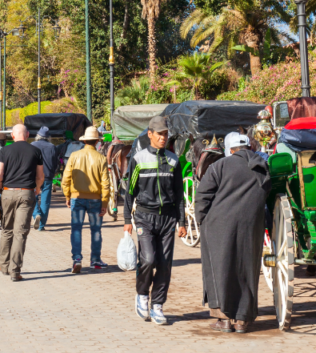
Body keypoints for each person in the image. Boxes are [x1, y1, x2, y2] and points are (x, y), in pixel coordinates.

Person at [195, 132, 271, 333]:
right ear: (248, 147)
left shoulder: (219, 166)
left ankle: (224, 319)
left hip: (218, 225)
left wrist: (202, 221)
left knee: (219, 269)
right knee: (246, 269)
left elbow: (202, 196)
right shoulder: (262, 167)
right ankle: (242, 320)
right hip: (250, 227)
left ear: (230, 150)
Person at [123, 116, 186, 325]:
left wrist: (182, 222)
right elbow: (130, 192)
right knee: (148, 259)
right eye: (159, 134)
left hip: (168, 219)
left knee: (165, 264)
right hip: (144, 217)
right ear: (150, 134)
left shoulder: (173, 160)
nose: (163, 137)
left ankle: (157, 304)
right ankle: (142, 295)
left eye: (165, 134)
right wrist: (126, 219)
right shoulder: (138, 159)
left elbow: (179, 194)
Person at [0, 125, 43, 281]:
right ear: (27, 135)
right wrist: (37, 190)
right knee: (20, 233)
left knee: (6, 230)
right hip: (27, 193)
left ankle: (3, 265)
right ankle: (15, 271)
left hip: (7, 193)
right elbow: (41, 176)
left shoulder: (5, 151)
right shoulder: (35, 151)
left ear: (12, 136)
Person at [61, 126, 110, 273]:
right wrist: (105, 202)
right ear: (96, 142)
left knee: (76, 229)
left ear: (85, 140)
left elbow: (66, 179)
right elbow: (106, 184)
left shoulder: (74, 156)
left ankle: (77, 258)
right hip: (95, 199)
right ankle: (95, 260)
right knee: (96, 230)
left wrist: (67, 195)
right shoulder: (101, 158)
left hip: (77, 198)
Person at [31, 126, 59, 231]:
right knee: (45, 200)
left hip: (34, 176)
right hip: (47, 176)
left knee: (33, 197)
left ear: (37, 136)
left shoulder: (32, 145)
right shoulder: (52, 147)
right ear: (48, 137)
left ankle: (36, 214)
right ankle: (41, 225)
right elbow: (56, 163)